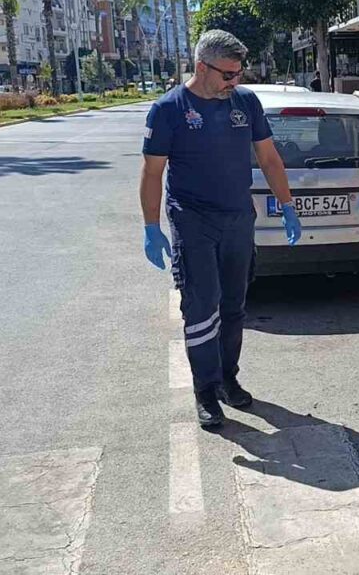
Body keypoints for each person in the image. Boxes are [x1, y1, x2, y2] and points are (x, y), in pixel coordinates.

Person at [140, 30, 302, 429]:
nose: (236, 82)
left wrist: (287, 205)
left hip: (237, 218)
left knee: (234, 305)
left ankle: (229, 378)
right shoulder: (169, 110)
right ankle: (206, 390)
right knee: (201, 305)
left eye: (238, 73)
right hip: (193, 220)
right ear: (201, 67)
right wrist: (150, 225)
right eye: (228, 74)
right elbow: (152, 171)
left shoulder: (244, 102)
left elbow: (268, 157)